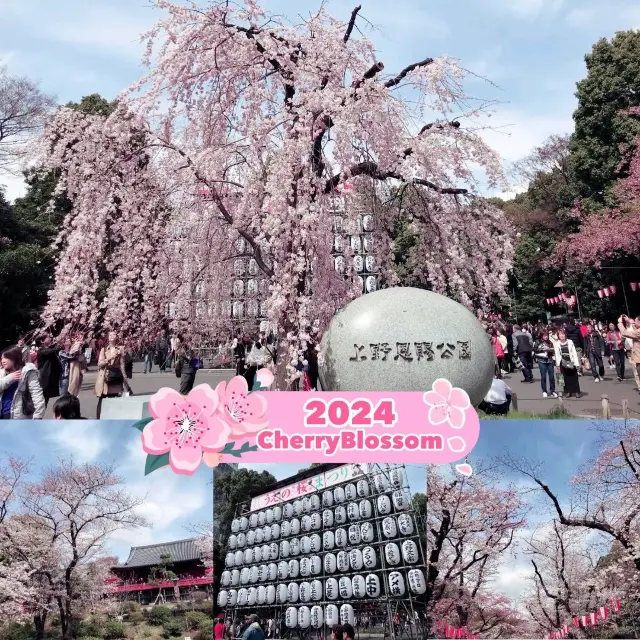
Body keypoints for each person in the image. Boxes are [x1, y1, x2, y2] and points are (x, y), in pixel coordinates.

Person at [0, 346, 46, 419]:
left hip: (18, 415)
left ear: (14, 358)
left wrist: (38, 414)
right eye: (2, 358)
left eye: (6, 358)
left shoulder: (28, 371)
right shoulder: (2, 372)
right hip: (2, 412)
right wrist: (9, 378)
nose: (3, 361)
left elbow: (36, 392)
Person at [95, 331, 128, 419]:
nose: (113, 336)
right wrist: (110, 358)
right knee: (103, 398)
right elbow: (100, 364)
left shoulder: (120, 348)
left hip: (117, 375)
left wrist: (124, 377)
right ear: (108, 337)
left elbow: (122, 364)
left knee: (116, 398)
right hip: (106, 376)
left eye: (114, 334)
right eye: (110, 334)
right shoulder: (104, 349)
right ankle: (99, 418)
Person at [554, 330, 581, 398]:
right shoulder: (557, 343)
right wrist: (557, 364)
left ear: (565, 335)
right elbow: (557, 354)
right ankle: (568, 391)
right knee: (565, 377)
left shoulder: (570, 341)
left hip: (571, 361)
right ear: (558, 336)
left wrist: (576, 363)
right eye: (560, 334)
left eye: (563, 334)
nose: (562, 336)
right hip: (562, 362)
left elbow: (574, 352)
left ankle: (577, 391)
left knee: (574, 377)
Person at [37, 334, 62, 407]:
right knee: (43, 398)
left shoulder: (49, 348)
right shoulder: (41, 350)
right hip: (44, 377)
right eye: (47, 338)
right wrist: (59, 346)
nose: (50, 338)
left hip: (50, 376)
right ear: (42, 341)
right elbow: (49, 351)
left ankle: (40, 414)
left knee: (46, 398)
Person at [618, 315, 640, 393]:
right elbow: (634, 328)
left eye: (635, 321)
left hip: (638, 357)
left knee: (637, 373)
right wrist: (627, 321)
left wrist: (620, 322)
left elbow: (624, 333)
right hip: (633, 354)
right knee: (636, 373)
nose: (634, 323)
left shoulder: (638, 332)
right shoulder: (637, 329)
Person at [534, 331, 557, 399]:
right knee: (543, 377)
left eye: (547, 335)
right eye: (544, 335)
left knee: (551, 377)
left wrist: (550, 349)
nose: (546, 337)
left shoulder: (550, 342)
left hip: (550, 360)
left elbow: (554, 350)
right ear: (541, 336)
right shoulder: (538, 341)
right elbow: (535, 349)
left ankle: (552, 391)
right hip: (542, 361)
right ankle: (544, 391)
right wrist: (541, 349)